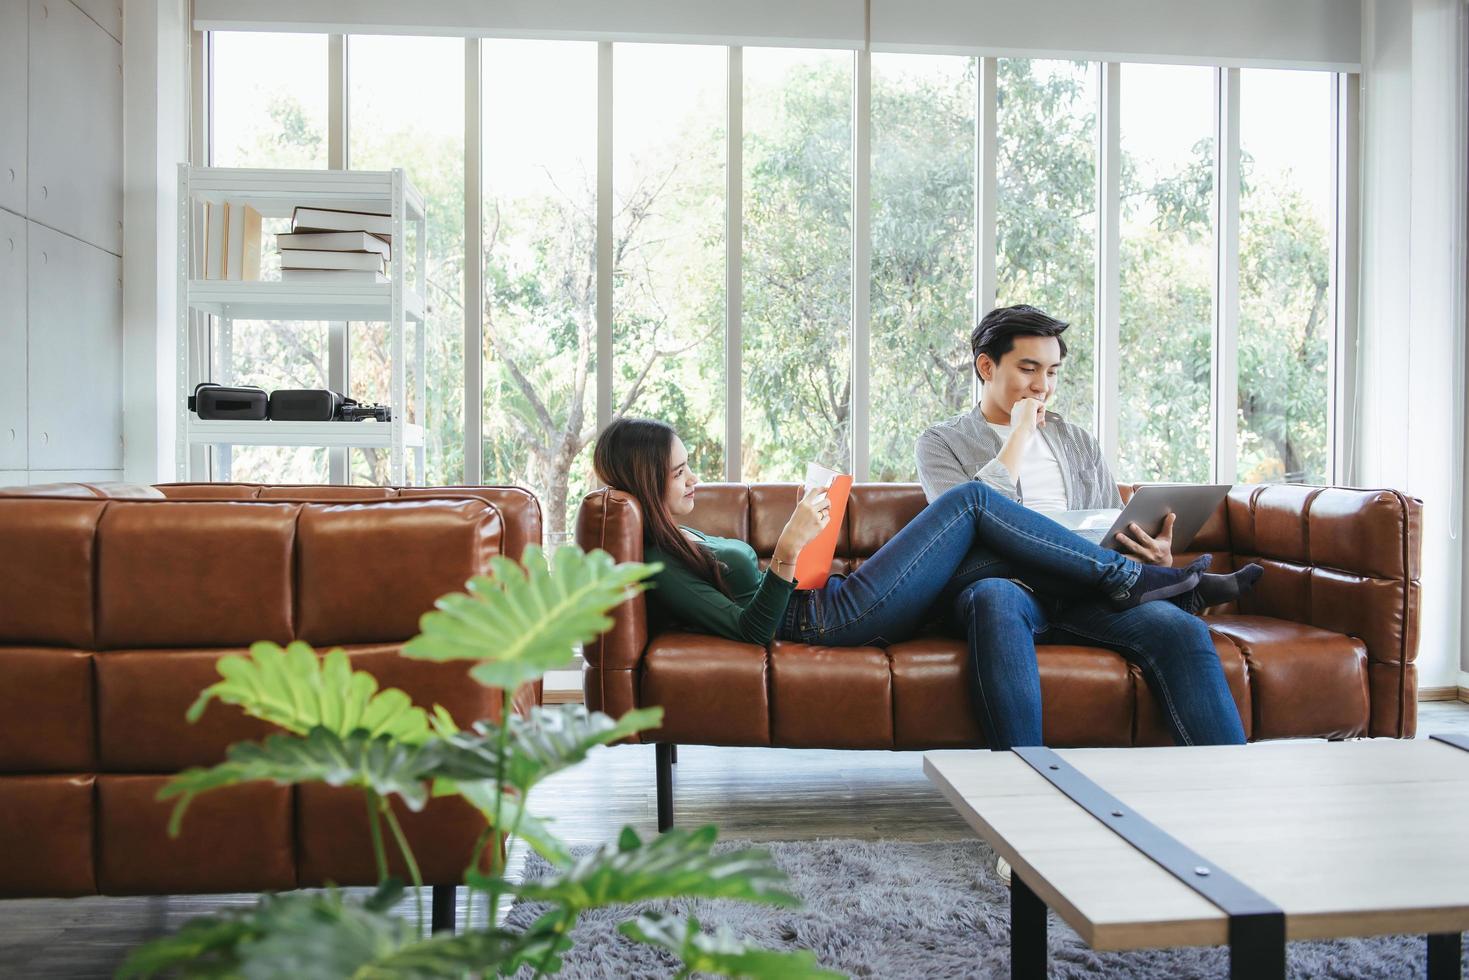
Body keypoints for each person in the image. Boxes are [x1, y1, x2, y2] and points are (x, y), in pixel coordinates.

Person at [591, 416, 1259, 659]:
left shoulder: (676, 540)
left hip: (833, 595)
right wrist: (788, 552)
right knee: (970, 501)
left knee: (989, 548)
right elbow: (751, 632)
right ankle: (1137, 582)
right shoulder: (652, 562)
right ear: (646, 482)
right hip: (824, 619)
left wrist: (806, 548)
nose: (693, 479)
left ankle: (1145, 588)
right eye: (678, 472)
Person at [916, 304, 1261, 753]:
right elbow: (966, 524)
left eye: (1053, 372)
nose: (1043, 386)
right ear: (986, 366)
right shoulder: (941, 443)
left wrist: (1151, 553)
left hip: (1086, 594)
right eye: (1028, 369)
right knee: (994, 597)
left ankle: (1231, 786)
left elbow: (1108, 522)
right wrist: (1020, 433)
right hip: (1005, 586)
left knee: (1181, 630)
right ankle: (1026, 778)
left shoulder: (1077, 441)